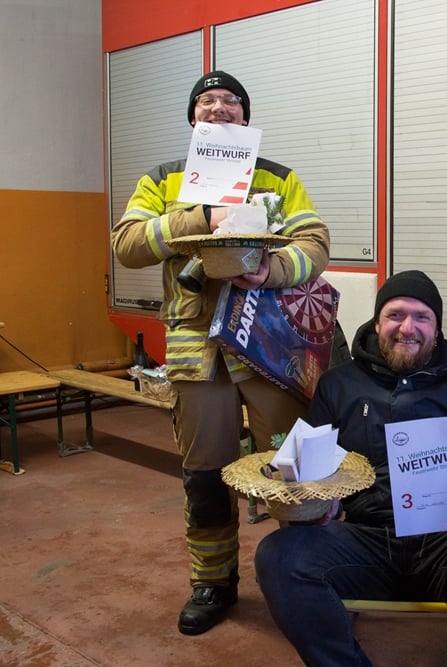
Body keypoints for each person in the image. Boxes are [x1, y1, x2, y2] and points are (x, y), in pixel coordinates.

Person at [111, 70, 330, 635]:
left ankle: (308, 579)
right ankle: (213, 583)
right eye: (206, 101)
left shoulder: (278, 179)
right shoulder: (162, 179)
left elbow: (315, 243)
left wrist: (271, 270)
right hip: (197, 353)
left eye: (231, 101)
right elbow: (127, 244)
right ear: (193, 119)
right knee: (204, 476)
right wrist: (201, 218)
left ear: (245, 117)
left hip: (269, 347)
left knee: (294, 470)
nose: (218, 108)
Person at [254, 270, 447, 667]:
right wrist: (314, 500)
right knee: (277, 555)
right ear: (377, 323)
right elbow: (306, 469)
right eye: (395, 315)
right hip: (364, 540)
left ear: (437, 329)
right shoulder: (338, 384)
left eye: (422, 317)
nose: (408, 328)